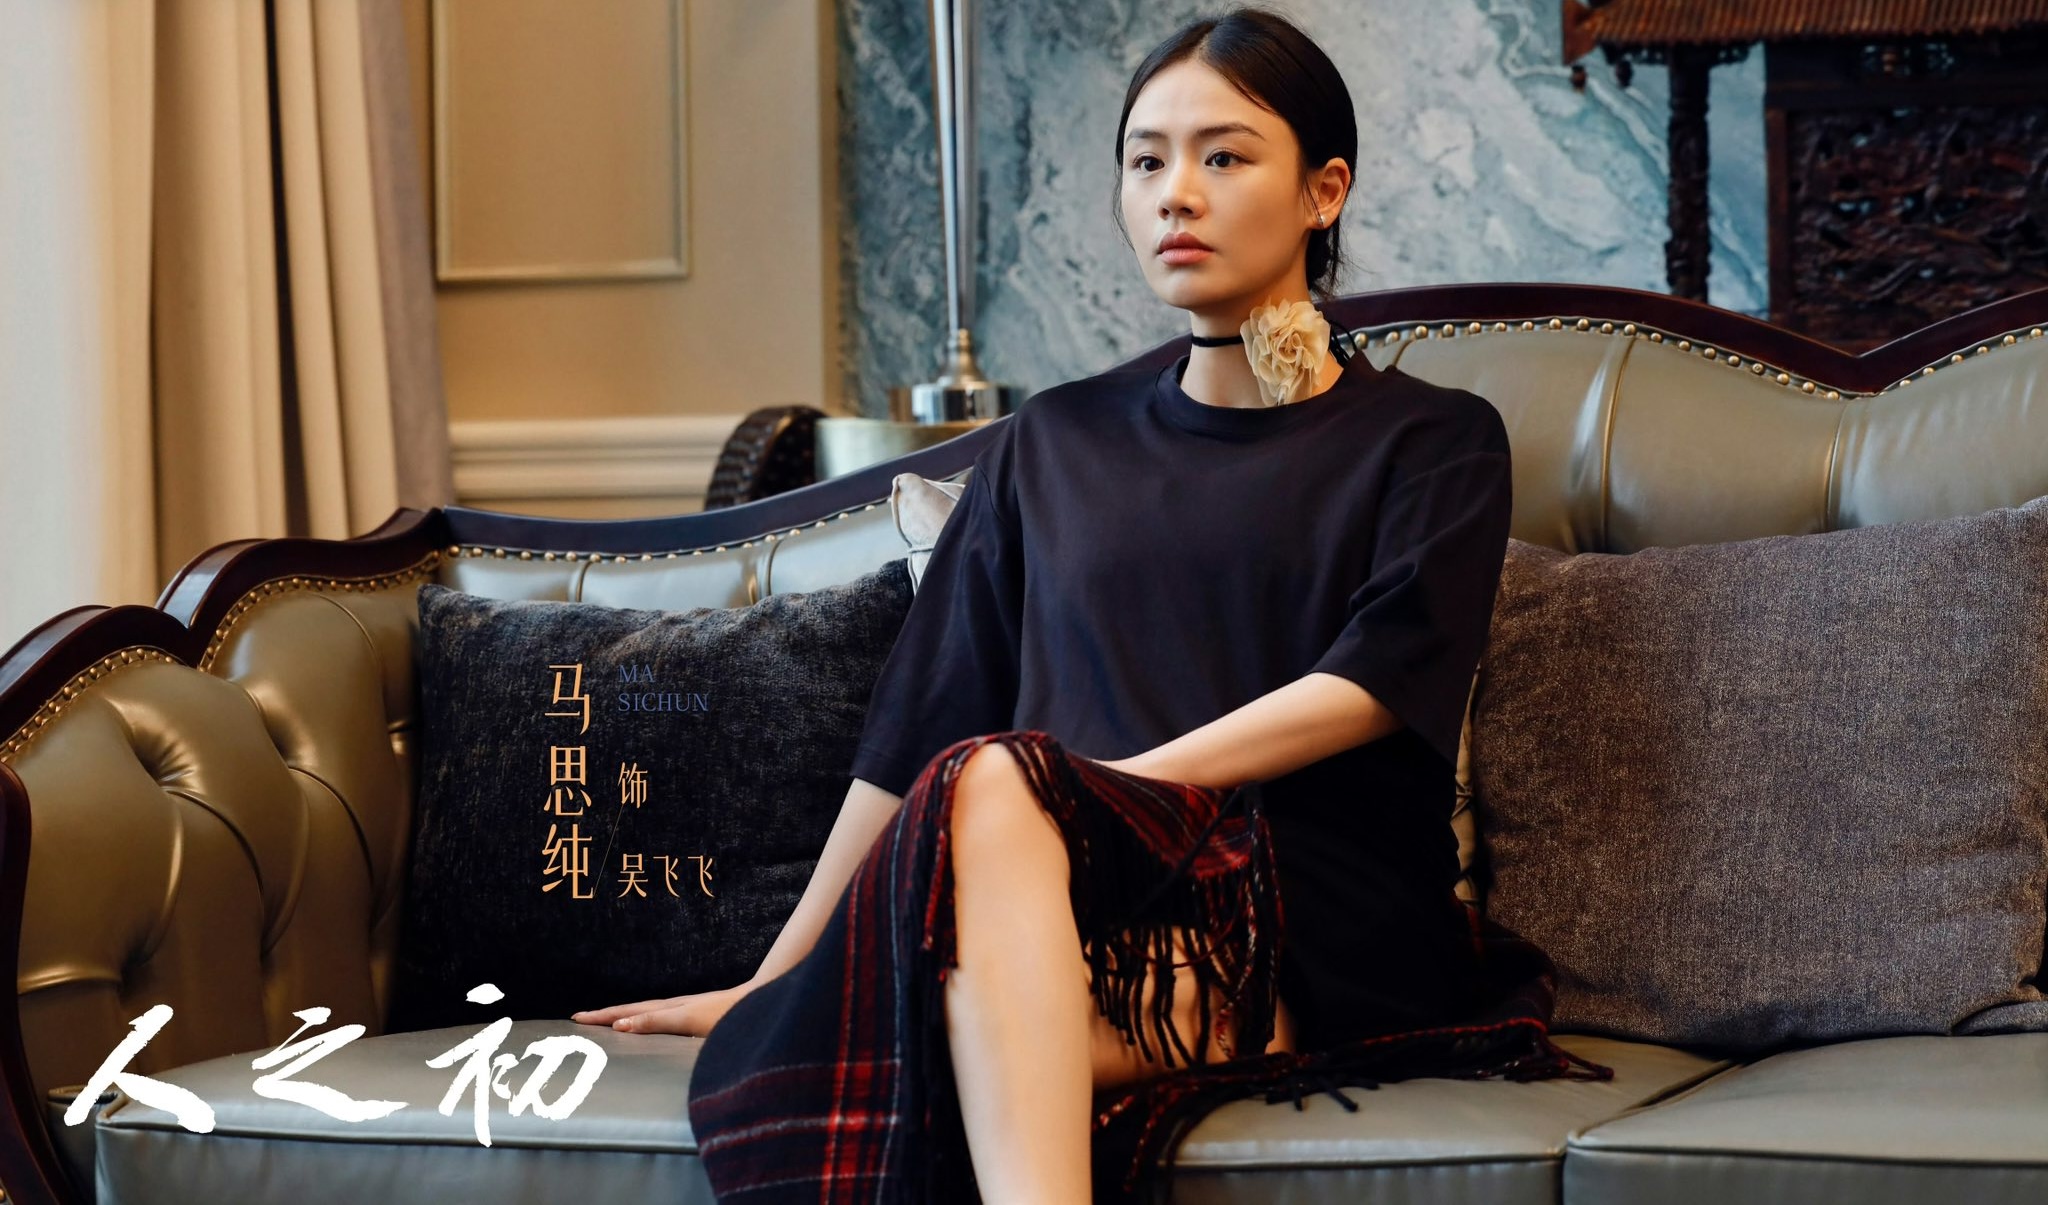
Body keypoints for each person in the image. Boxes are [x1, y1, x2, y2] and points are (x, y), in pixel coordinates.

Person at [572, 8, 1612, 1201]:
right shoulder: (1051, 439)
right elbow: (916, 727)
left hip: (1300, 906)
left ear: (1322, 192)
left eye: (1223, 157)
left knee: (987, 827)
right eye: (1145, 161)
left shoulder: (1432, 437)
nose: (1176, 195)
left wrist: (1093, 797)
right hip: (1058, 901)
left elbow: (1377, 677)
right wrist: (775, 977)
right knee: (956, 1002)